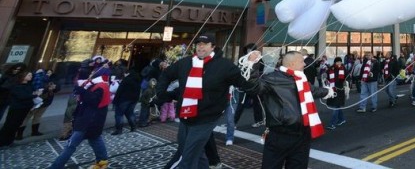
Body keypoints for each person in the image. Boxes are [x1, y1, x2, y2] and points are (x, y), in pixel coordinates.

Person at [156, 33, 260, 169]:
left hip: (206, 118)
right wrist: (162, 93)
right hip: (185, 115)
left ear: (213, 47)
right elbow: (167, 74)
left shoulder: (224, 66)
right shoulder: (185, 62)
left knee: (186, 156)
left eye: (205, 44)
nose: (201, 47)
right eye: (198, 44)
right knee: (196, 154)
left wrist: (251, 66)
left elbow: (247, 85)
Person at [245, 49, 334, 169]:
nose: (305, 64)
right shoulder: (272, 79)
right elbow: (253, 87)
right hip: (279, 135)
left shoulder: (301, 79)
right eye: (302, 61)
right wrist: (252, 64)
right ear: (292, 64)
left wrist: (328, 91)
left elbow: (313, 90)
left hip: (302, 135)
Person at [48, 66, 111, 168]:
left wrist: (82, 91)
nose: (91, 74)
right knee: (95, 140)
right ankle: (102, 161)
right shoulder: (95, 84)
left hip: (88, 121)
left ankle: (56, 166)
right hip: (89, 119)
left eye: (93, 72)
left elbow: (94, 101)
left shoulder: (101, 86)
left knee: (71, 145)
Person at [0, 70, 36, 147]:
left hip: (25, 107)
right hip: (17, 108)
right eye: (29, 75)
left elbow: (30, 94)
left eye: (31, 75)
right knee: (10, 124)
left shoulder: (29, 85)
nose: (31, 76)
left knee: (17, 125)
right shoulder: (16, 86)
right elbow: (22, 96)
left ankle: (10, 141)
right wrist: (34, 95)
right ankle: (2, 141)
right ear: (23, 77)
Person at [112, 65, 140, 135]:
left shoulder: (126, 80)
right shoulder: (137, 78)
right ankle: (133, 127)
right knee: (130, 113)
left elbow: (119, 91)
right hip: (134, 99)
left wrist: (115, 101)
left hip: (124, 99)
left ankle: (119, 130)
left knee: (119, 114)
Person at [325, 57, 347, 129]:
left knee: (336, 106)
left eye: (340, 62)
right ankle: (342, 119)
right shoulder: (330, 69)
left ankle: (332, 124)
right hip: (332, 89)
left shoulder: (343, 68)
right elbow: (327, 77)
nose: (339, 63)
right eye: (337, 62)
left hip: (339, 90)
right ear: (335, 62)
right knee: (337, 106)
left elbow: (344, 77)